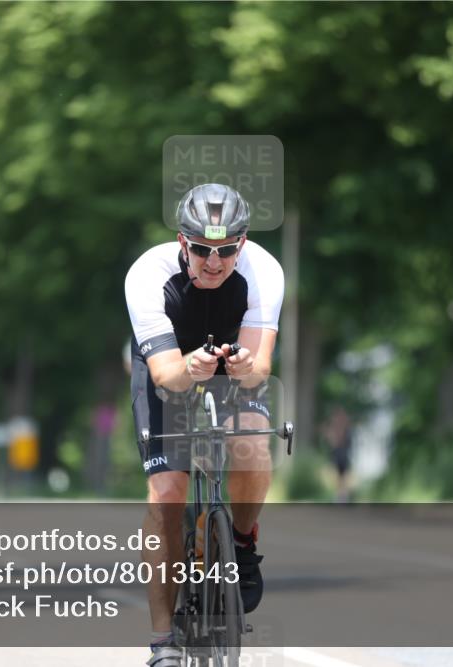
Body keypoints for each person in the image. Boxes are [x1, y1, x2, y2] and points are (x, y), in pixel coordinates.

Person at [125, 183, 284, 666]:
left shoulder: (263, 270)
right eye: (200, 250)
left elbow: (261, 365)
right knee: (167, 495)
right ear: (181, 241)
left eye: (225, 250)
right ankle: (162, 642)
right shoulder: (147, 275)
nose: (213, 262)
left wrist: (242, 368)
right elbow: (166, 376)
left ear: (243, 242)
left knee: (251, 446)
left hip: (233, 362)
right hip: (170, 365)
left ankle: (241, 540)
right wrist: (189, 368)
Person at [322, 406, 352, 503]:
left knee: (341, 476)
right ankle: (341, 496)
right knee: (340, 476)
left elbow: (339, 441)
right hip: (339, 455)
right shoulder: (342, 426)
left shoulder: (342, 427)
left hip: (341, 455)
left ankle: (342, 496)